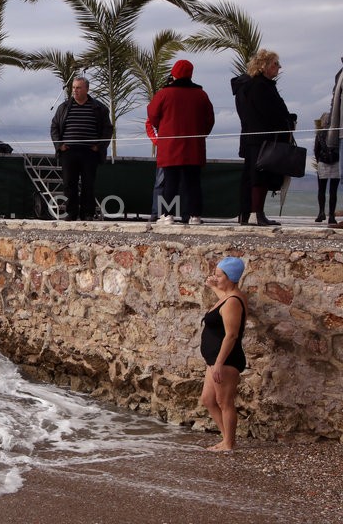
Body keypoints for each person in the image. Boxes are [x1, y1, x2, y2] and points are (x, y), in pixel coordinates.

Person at [146, 60, 215, 224]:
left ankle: (167, 215)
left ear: (174, 74)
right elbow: (209, 119)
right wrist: (201, 134)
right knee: (193, 182)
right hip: (193, 146)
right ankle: (194, 215)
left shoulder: (164, 94)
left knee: (170, 181)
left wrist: (162, 127)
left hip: (170, 146)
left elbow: (153, 115)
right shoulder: (201, 95)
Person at [234, 49, 297, 226]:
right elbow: (268, 112)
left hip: (255, 138)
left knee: (254, 175)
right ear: (264, 66)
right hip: (260, 138)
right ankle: (256, 213)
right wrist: (286, 120)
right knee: (258, 176)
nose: (279, 67)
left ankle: (250, 214)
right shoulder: (259, 86)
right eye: (275, 64)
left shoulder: (254, 85)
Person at [199, 256, 248, 451]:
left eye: (219, 276)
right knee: (208, 399)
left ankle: (229, 443)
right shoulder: (229, 297)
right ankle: (226, 439)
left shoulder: (234, 301)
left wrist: (219, 362)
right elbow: (224, 296)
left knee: (224, 401)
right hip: (215, 358)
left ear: (231, 277)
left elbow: (232, 335)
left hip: (225, 359)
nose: (215, 278)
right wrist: (213, 286)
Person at [50, 76, 113, 221]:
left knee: (88, 184)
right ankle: (71, 213)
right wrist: (60, 145)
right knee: (69, 184)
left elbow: (108, 129)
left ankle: (87, 214)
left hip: (89, 152)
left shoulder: (99, 108)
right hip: (69, 151)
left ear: (87, 89)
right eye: (73, 88)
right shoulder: (64, 107)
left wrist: (100, 146)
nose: (75, 91)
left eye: (78, 88)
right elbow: (54, 127)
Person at [314, 112, 340, 225]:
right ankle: (332, 216)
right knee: (333, 191)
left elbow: (316, 149)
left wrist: (319, 160)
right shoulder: (338, 132)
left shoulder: (319, 133)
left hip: (322, 162)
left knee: (321, 189)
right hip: (336, 162)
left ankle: (321, 213)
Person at [145, 116, 165, 222]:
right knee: (160, 182)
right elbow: (149, 123)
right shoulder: (161, 101)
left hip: (182, 149)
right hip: (164, 151)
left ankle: (188, 214)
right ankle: (156, 213)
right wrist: (156, 141)